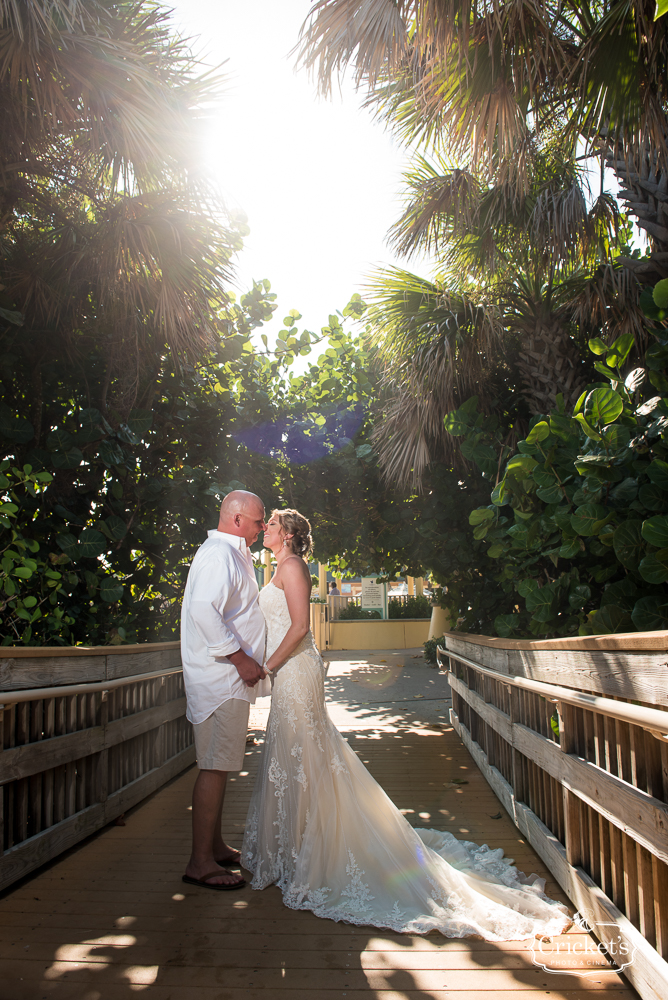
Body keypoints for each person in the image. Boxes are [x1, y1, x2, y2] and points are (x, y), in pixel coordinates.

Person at [241, 508, 571, 939]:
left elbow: (302, 627)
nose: (263, 528)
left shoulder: (295, 568)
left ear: (285, 535)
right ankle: (294, 847)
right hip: (288, 675)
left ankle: (317, 850)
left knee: (308, 755)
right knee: (294, 756)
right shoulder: (279, 567)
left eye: (269, 525)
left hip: (296, 672)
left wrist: (267, 666)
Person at [181, 490, 269, 891]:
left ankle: (213, 847)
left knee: (221, 763)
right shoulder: (219, 554)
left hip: (228, 681)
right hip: (220, 680)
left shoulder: (234, 552)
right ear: (236, 519)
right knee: (214, 766)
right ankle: (200, 862)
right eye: (257, 520)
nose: (263, 526)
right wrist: (241, 660)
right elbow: (203, 609)